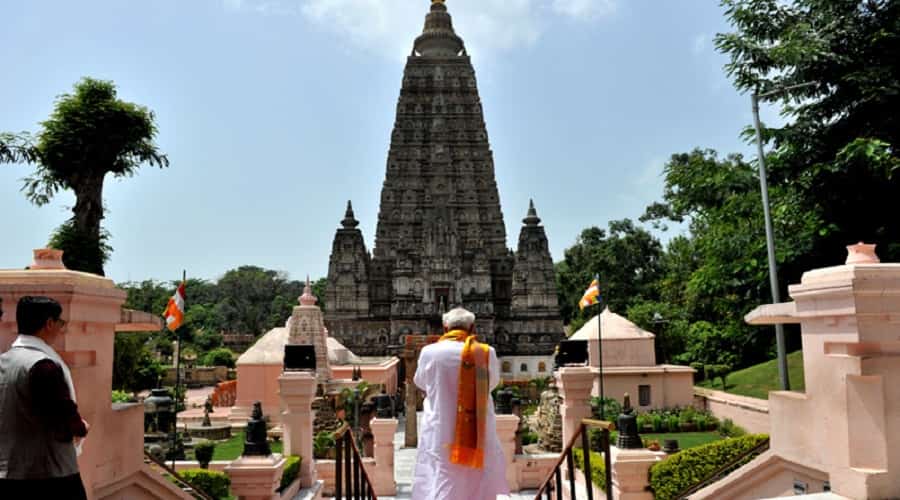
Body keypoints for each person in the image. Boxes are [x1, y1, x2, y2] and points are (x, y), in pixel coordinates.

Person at [412, 307, 508, 500]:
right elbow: (493, 383)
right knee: (477, 477)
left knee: (442, 474)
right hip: (477, 430)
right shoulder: (485, 353)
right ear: (472, 327)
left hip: (440, 427)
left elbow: (419, 382)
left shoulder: (429, 352)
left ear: (445, 327)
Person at [0, 296, 89, 499]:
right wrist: (81, 427)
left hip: (8, 471)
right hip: (50, 474)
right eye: (60, 323)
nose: (61, 329)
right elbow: (63, 415)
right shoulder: (43, 365)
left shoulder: (4, 361)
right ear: (49, 323)